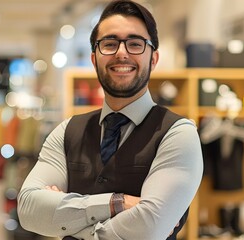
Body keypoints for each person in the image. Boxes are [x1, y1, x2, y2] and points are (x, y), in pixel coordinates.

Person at [17, 1, 203, 239]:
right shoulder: (67, 131)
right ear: (94, 59)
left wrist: (65, 216)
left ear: (153, 59)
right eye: (110, 44)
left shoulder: (178, 134)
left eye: (135, 44)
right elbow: (29, 210)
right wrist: (118, 203)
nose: (122, 53)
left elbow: (149, 228)